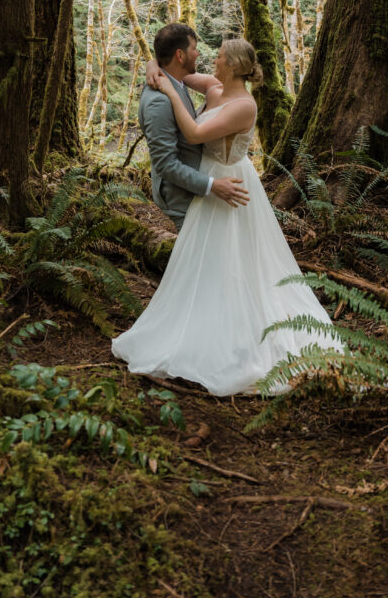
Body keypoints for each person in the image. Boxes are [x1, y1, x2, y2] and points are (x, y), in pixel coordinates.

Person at [111, 37, 343, 396]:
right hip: (211, 180)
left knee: (236, 261)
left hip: (229, 183)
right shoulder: (214, 86)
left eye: (218, 56)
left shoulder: (245, 106)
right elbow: (176, 73)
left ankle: (240, 337)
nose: (211, 60)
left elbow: (194, 132)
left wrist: (170, 95)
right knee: (205, 263)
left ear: (233, 65)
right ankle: (204, 327)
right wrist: (151, 68)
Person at [136, 23, 250, 231]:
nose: (199, 54)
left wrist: (153, 64)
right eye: (194, 49)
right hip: (183, 198)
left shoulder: (176, 81)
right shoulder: (159, 101)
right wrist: (212, 185)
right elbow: (165, 164)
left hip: (207, 190)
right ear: (180, 56)